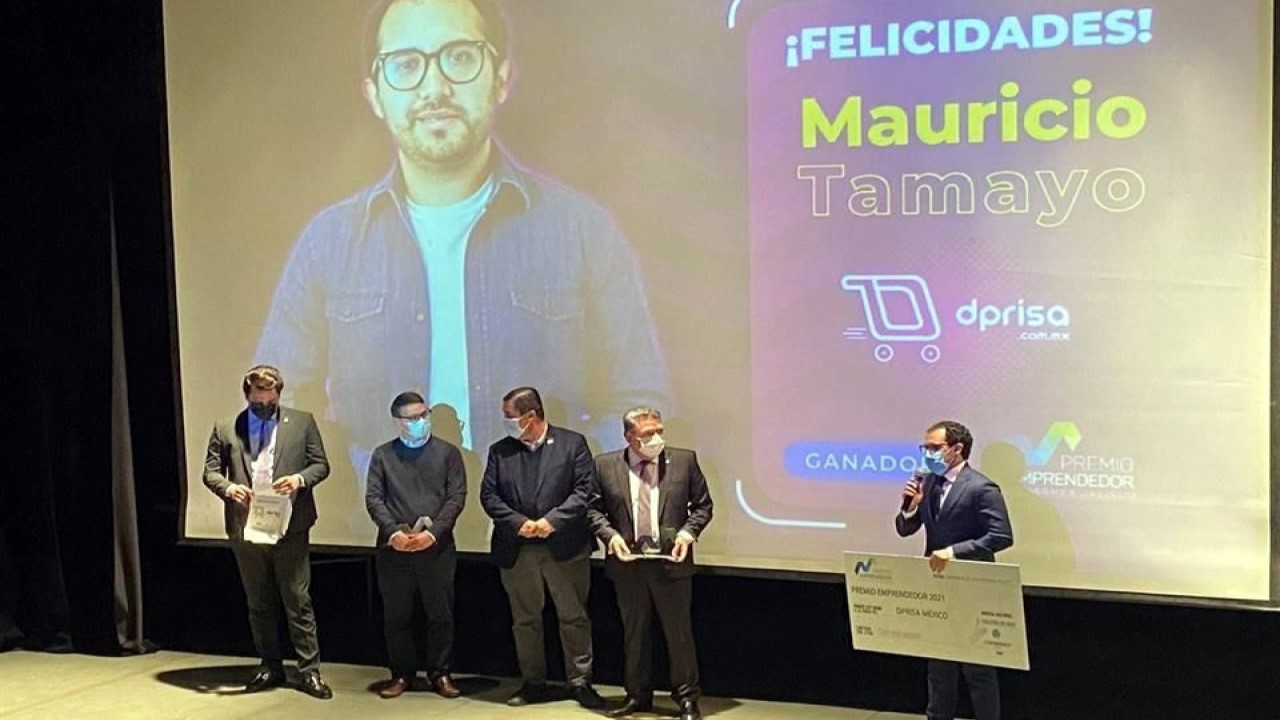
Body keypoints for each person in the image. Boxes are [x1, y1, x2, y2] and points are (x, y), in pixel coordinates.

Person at [254, 0, 670, 492]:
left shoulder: (582, 232)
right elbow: (280, 408)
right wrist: (361, 494)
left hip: (539, 524)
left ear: (501, 77)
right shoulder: (328, 243)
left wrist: (558, 488)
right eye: (406, 64)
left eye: (459, 57)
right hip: (382, 527)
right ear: (375, 94)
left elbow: (637, 404)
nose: (434, 88)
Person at [202, 366, 333, 699]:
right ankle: (270, 665)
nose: (264, 406)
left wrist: (299, 480)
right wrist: (228, 488)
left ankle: (309, 671)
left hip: (290, 524)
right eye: (258, 401)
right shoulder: (226, 427)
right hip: (246, 526)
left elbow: (321, 465)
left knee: (297, 600)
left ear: (279, 394)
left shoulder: (302, 422)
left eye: (270, 401)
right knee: (259, 602)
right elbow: (210, 472)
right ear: (247, 395)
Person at [478, 387, 605, 709]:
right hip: (518, 547)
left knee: (574, 617)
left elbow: (585, 490)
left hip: (565, 545)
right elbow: (489, 496)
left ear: (531, 416)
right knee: (525, 620)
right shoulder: (500, 451)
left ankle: (580, 682)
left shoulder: (572, 444)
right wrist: (518, 522)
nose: (505, 421)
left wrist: (552, 521)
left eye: (509, 416)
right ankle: (533, 682)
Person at [588, 407, 713, 720]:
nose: (656, 438)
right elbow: (592, 510)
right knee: (635, 634)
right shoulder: (605, 465)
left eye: (659, 431)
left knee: (678, 634)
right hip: (628, 564)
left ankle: (686, 698)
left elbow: (703, 506)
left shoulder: (684, 461)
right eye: (647, 434)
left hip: (672, 563)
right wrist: (610, 537)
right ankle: (637, 695)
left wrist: (687, 534)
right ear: (629, 436)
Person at [895, 420, 1014, 720]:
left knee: (977, 669)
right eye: (924, 448)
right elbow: (906, 528)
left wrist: (954, 551)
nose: (927, 454)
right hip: (938, 585)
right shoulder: (929, 483)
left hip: (973, 587)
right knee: (939, 667)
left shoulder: (981, 488)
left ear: (957, 449)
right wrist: (910, 507)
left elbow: (1001, 536)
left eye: (934, 448)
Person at [365, 391, 467, 699]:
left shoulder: (448, 453)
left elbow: (456, 498)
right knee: (397, 616)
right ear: (398, 422)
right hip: (394, 550)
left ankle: (440, 673)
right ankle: (401, 673)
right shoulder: (383, 455)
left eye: (424, 415)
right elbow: (374, 498)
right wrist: (394, 532)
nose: (420, 421)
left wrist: (432, 534)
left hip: (437, 548)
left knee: (441, 615)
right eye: (413, 418)